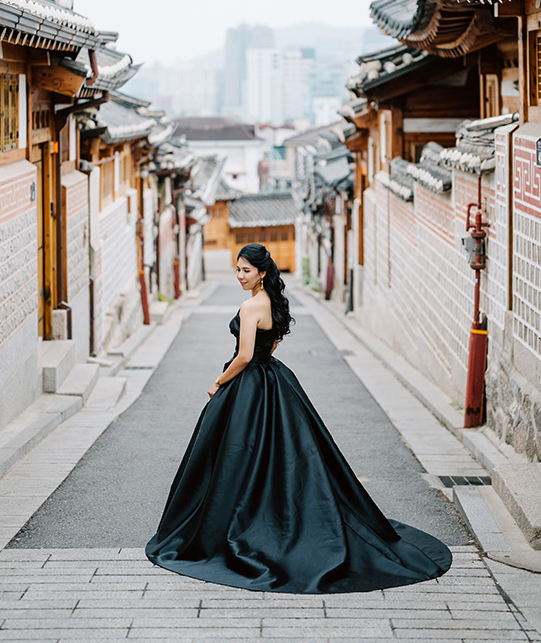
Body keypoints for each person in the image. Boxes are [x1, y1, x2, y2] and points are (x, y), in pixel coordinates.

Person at [146, 244, 452, 593]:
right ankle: (277, 513)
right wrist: (256, 361)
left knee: (235, 454)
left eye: (246, 270)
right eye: (237, 269)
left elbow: (245, 355)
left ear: (261, 272)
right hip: (274, 380)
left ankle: (238, 521)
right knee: (282, 454)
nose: (239, 276)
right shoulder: (273, 303)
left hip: (248, 384)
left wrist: (219, 381)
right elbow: (271, 344)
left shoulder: (249, 307)